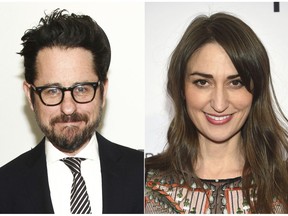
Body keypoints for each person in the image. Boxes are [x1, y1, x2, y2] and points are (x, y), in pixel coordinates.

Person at [0, 9, 144, 214]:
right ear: (30, 96)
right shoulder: (5, 186)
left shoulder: (144, 174)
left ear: (103, 91)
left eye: (82, 89)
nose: (68, 108)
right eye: (52, 91)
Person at [145, 12, 288, 214]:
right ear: (181, 89)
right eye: (202, 82)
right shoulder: (140, 181)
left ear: (256, 91)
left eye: (235, 82)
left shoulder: (283, 185)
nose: (219, 104)